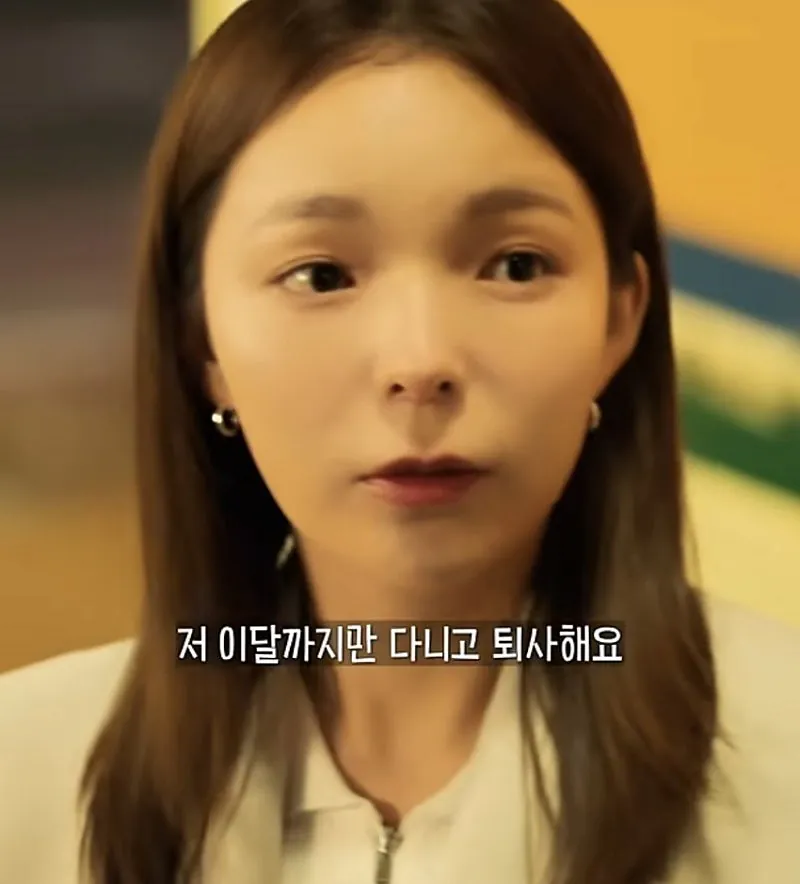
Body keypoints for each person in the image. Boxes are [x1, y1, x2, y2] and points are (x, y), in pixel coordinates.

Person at [1, 0, 798, 882]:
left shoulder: (780, 766)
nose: (421, 362)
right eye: (321, 275)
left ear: (620, 318)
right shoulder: (26, 780)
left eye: (516, 265)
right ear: (203, 344)